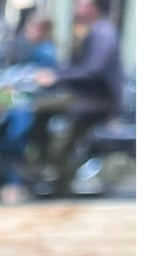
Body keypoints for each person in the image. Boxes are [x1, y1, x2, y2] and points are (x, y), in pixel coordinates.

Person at [31, 0, 122, 194]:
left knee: (59, 140)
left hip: (96, 102)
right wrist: (57, 74)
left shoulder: (103, 32)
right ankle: (48, 167)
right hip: (86, 98)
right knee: (40, 108)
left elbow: (93, 71)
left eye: (81, 3)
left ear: (94, 6)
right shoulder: (94, 30)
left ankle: (58, 182)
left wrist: (56, 77)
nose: (77, 7)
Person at [0, 15, 58, 204]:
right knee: (3, 138)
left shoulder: (45, 52)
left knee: (15, 139)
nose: (28, 33)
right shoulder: (24, 48)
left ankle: (15, 184)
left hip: (31, 107)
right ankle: (9, 182)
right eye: (28, 28)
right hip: (15, 104)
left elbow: (44, 82)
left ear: (43, 31)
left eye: (33, 29)